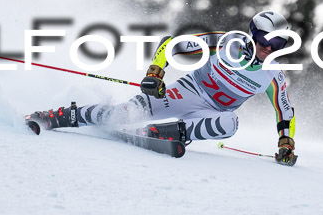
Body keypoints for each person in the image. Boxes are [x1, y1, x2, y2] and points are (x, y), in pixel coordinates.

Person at [26, 10, 297, 166]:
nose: (269, 48)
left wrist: (286, 143)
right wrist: (155, 73)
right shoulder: (228, 43)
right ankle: (55, 117)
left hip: (211, 114)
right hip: (189, 91)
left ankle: (163, 133)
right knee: (123, 113)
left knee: (230, 123)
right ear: (254, 34)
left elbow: (285, 112)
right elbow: (172, 44)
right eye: (265, 39)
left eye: (278, 44)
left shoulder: (273, 76)